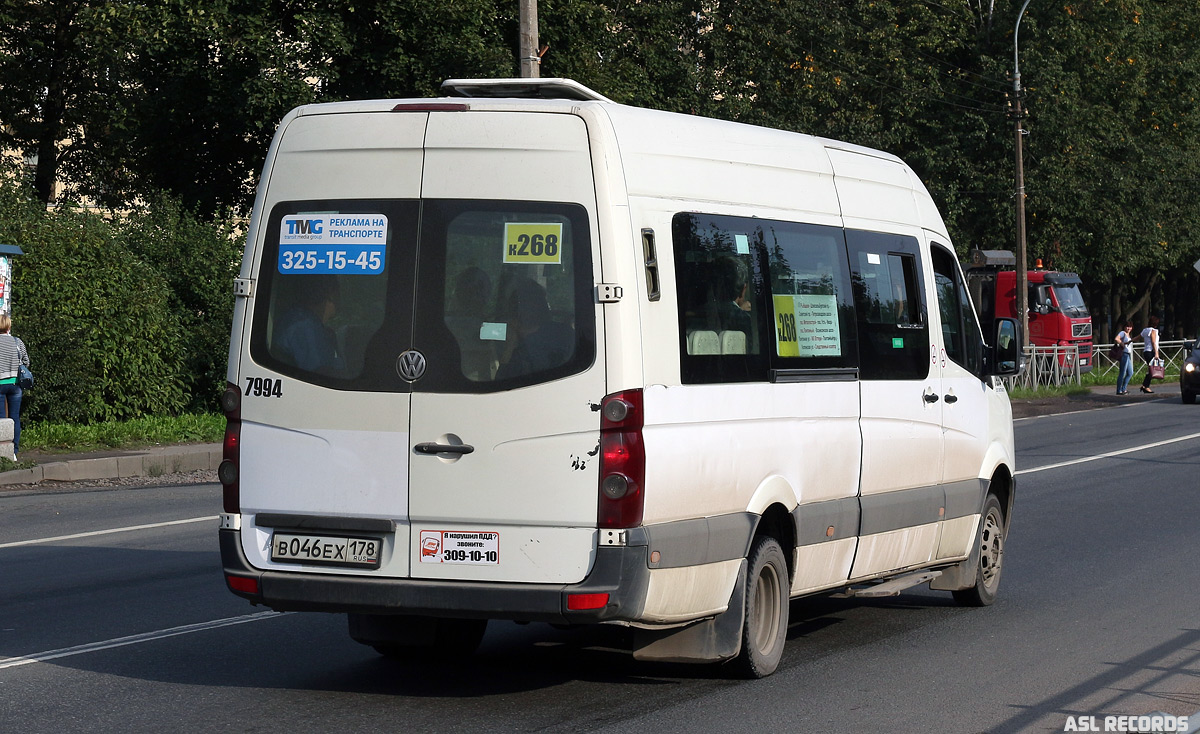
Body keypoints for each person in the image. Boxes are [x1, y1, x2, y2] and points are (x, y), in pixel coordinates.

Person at [274, 275, 345, 375]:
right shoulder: (305, 326)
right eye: (339, 290)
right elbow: (320, 374)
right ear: (331, 295)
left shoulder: (304, 321)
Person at [0, 314, 31, 456]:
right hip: (15, 384)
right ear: (9, 326)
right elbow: (26, 362)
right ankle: (14, 451)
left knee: (1, 419)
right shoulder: (17, 342)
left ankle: (2, 451)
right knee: (14, 417)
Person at [1139, 315, 1161, 394]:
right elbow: (1153, 342)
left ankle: (1144, 386)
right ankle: (1146, 386)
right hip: (1151, 352)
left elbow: (1138, 337)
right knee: (1152, 369)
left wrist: (1129, 341)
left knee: (1150, 369)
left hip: (1146, 351)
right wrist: (1157, 353)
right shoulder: (1153, 331)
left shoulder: (1145, 330)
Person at [1114, 321, 1134, 395]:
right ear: (1124, 327)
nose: (1129, 328)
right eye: (1127, 326)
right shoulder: (1123, 333)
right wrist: (1122, 343)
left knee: (1130, 372)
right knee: (1122, 373)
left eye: (1130, 327)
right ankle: (1119, 390)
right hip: (1124, 354)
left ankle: (1124, 388)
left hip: (1127, 355)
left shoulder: (1128, 335)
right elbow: (1116, 338)